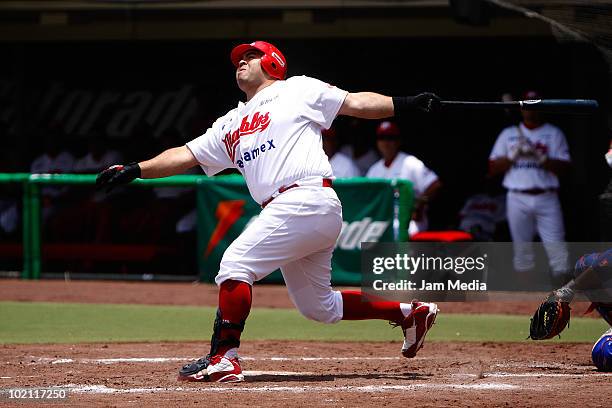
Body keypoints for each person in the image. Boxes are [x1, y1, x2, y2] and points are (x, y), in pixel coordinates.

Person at [96, 40, 441, 383]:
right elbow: (186, 155)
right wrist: (135, 169)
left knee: (235, 263)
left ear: (273, 62)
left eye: (251, 55)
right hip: (294, 209)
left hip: (306, 197)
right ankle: (409, 313)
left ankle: (224, 357)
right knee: (318, 307)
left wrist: (405, 104)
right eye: (239, 59)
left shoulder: (298, 89)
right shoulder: (230, 122)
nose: (242, 62)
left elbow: (355, 102)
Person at [488, 90, 572, 285]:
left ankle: (563, 296)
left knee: (558, 250)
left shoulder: (553, 133)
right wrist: (512, 156)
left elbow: (565, 167)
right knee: (522, 250)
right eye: (527, 106)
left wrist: (541, 157)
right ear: (521, 108)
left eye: (535, 105)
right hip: (517, 196)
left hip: (546, 195)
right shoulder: (509, 134)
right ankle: (524, 298)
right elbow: (492, 169)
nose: (531, 110)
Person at [366, 120, 442, 236]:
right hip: (383, 220)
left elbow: (434, 184)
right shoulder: (374, 170)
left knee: (396, 234)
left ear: (398, 141)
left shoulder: (410, 162)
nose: (386, 142)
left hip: (408, 221)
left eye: (390, 138)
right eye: (382, 137)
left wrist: (420, 203)